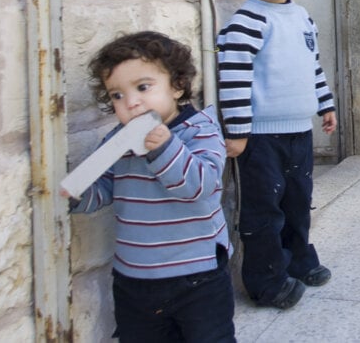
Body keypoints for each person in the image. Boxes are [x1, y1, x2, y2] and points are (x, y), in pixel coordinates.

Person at [67, 31, 235, 342]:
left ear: (177, 86)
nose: (130, 102)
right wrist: (75, 196)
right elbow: (105, 187)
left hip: (197, 276)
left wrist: (164, 147)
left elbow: (201, 186)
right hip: (134, 277)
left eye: (143, 87)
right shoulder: (119, 138)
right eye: (117, 95)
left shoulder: (199, 131)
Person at [216, 0, 338, 310]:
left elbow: (312, 67)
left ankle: (298, 259)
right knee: (263, 210)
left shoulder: (302, 18)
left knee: (298, 201)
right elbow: (233, 76)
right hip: (262, 138)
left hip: (299, 132)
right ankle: (266, 281)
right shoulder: (247, 20)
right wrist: (237, 132)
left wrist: (326, 104)